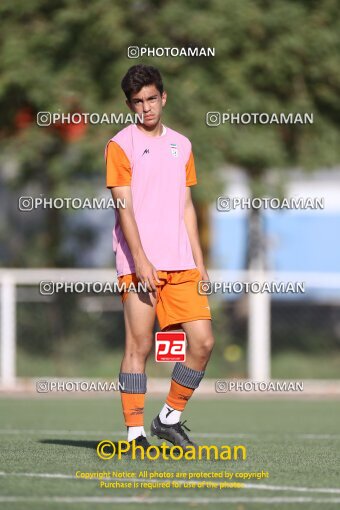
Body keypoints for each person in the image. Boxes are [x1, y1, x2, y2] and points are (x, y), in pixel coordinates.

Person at [105, 64, 214, 450]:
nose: (146, 108)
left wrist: (199, 262)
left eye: (152, 99)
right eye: (138, 102)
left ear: (163, 98)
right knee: (139, 347)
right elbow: (124, 209)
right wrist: (141, 260)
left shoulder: (182, 145)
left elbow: (186, 205)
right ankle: (135, 433)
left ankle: (168, 417)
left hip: (182, 263)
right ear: (129, 104)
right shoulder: (120, 145)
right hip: (139, 265)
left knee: (202, 343)